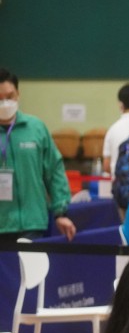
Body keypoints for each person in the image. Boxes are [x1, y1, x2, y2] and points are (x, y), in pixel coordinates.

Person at [0, 68, 75, 241]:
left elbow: (54, 170)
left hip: (33, 223)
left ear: (18, 94)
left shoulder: (36, 128)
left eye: (9, 96)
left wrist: (60, 212)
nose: (4, 102)